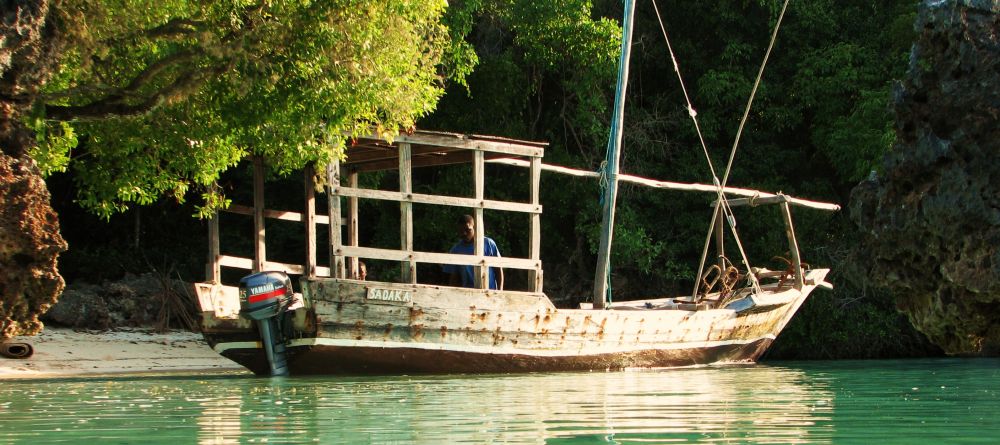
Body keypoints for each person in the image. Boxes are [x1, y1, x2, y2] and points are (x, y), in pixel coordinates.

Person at [443, 215, 504, 290]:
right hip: (468, 295)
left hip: (489, 293)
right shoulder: (456, 250)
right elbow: (454, 277)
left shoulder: (488, 243)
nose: (464, 233)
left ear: (475, 228)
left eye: (468, 230)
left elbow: (498, 269)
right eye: (461, 231)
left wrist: (500, 291)